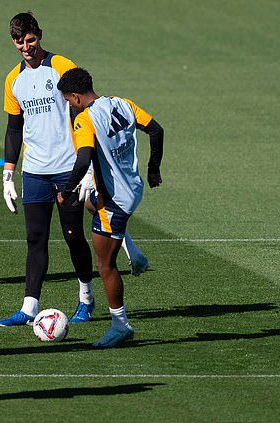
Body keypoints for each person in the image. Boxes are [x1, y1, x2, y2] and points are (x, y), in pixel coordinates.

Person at [0, 12, 95, 327]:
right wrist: (8, 173)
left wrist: (89, 164)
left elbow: (87, 110)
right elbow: (14, 129)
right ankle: (28, 307)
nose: (26, 47)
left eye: (30, 40)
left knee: (73, 235)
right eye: (19, 42)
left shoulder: (62, 66)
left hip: (68, 169)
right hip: (35, 170)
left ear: (39, 35)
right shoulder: (13, 80)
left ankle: (86, 298)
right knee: (34, 238)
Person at [56, 67, 164, 347]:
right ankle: (135, 253)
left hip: (115, 198)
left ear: (77, 97)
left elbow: (83, 159)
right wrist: (154, 169)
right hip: (133, 186)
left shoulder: (85, 119)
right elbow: (156, 129)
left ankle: (120, 325)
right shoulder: (122, 103)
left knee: (104, 264)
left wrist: (66, 191)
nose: (69, 105)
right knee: (91, 204)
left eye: (68, 100)